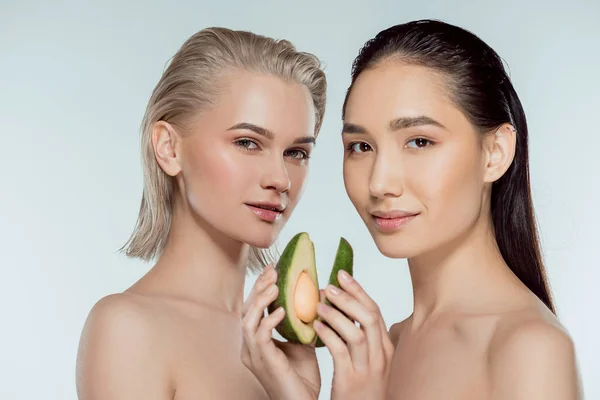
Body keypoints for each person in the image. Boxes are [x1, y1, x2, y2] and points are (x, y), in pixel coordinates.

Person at [243, 19, 582, 400]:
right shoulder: (392, 343)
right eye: (361, 146)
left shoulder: (530, 349)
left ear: (495, 153)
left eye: (419, 141)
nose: (379, 183)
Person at [75, 27, 326, 399]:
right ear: (169, 148)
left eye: (296, 153)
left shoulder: (278, 346)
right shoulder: (128, 328)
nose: (280, 178)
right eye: (247, 143)